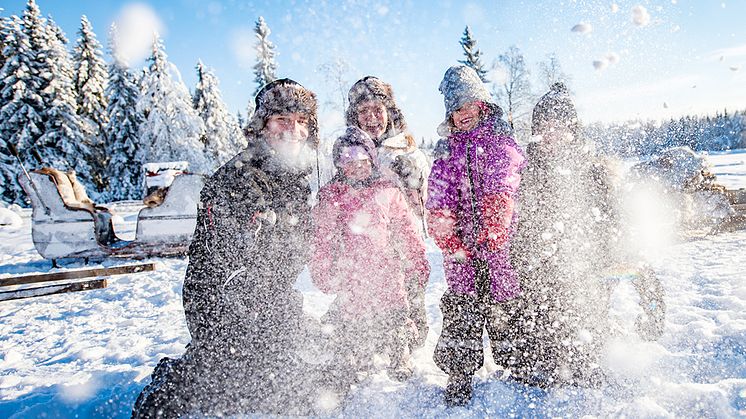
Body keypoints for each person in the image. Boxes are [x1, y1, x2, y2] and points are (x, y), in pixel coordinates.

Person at [132, 79, 327, 417]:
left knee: (322, 371)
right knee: (248, 390)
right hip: (222, 309)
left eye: (301, 121)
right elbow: (222, 269)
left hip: (272, 300)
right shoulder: (236, 180)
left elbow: (287, 258)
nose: (292, 130)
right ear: (263, 126)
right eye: (281, 120)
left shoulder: (294, 181)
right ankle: (179, 381)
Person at [506, 82, 666, 388]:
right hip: (538, 289)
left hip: (585, 284)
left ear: (573, 128)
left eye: (559, 126)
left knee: (581, 363)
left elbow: (623, 237)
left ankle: (592, 335)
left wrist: (650, 299)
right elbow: (516, 237)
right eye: (544, 127)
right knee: (532, 365)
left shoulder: (594, 174)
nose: (552, 134)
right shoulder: (524, 175)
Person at [426, 65, 526, 406]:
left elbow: (506, 178)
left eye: (468, 104)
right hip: (461, 248)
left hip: (499, 245)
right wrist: (444, 229)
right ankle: (459, 371)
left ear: (482, 105)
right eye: (455, 108)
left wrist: (495, 219)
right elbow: (438, 194)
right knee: (462, 307)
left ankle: (520, 362)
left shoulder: (500, 141)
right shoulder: (446, 150)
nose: (462, 113)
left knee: (505, 303)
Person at [310, 126, 430, 388]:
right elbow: (322, 239)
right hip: (351, 271)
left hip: (387, 267)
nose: (356, 167)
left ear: (372, 160)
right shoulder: (332, 196)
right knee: (354, 315)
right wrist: (323, 270)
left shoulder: (387, 190)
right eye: (348, 161)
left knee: (395, 312)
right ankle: (357, 355)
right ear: (339, 165)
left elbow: (406, 230)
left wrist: (417, 260)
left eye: (362, 160)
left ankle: (400, 354)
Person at [346, 76, 432, 349]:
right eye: (363, 111)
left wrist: (412, 178)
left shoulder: (405, 147)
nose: (372, 117)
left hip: (405, 239)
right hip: (368, 241)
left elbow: (425, 194)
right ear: (354, 116)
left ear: (389, 112)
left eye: (377, 110)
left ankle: (412, 334)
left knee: (412, 310)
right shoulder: (348, 150)